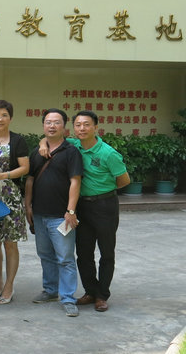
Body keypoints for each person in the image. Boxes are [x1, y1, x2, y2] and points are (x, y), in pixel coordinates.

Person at [69, 111, 130, 312]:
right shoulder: (73, 145)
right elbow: (50, 140)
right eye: (78, 125)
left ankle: (102, 295)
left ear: (96, 127)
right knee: (83, 253)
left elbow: (124, 180)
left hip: (105, 206)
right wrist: (43, 144)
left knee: (106, 252)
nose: (82, 128)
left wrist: (102, 190)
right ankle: (90, 291)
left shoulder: (108, 153)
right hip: (82, 207)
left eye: (87, 124)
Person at [25, 109, 83, 317]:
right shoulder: (37, 151)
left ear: (64, 127)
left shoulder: (71, 152)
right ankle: (50, 290)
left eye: (56, 122)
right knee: (45, 255)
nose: (52, 126)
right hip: (39, 214)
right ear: (43, 125)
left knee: (65, 258)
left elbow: (75, 181)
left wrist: (71, 210)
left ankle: (68, 298)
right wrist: (28, 206)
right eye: (48, 122)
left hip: (61, 215)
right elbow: (30, 179)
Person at [0, 100, 29, 304]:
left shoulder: (18, 140)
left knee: (10, 243)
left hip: (11, 197)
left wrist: (3, 175)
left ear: (10, 117)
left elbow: (25, 167)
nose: (0, 119)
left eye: (4, 115)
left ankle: (9, 285)